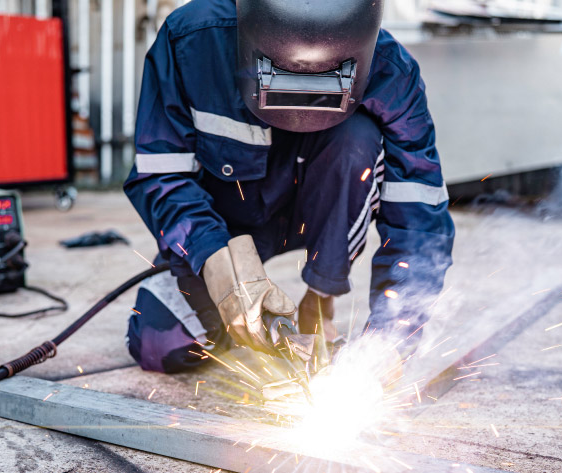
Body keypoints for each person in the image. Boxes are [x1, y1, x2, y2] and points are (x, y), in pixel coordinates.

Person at [123, 0, 454, 373]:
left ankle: (320, 298)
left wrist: (391, 342)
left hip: (321, 216)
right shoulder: (192, 40)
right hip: (223, 225)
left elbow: (419, 221)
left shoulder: (391, 71)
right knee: (159, 346)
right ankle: (241, 315)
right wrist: (213, 260)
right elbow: (161, 175)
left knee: (356, 140)